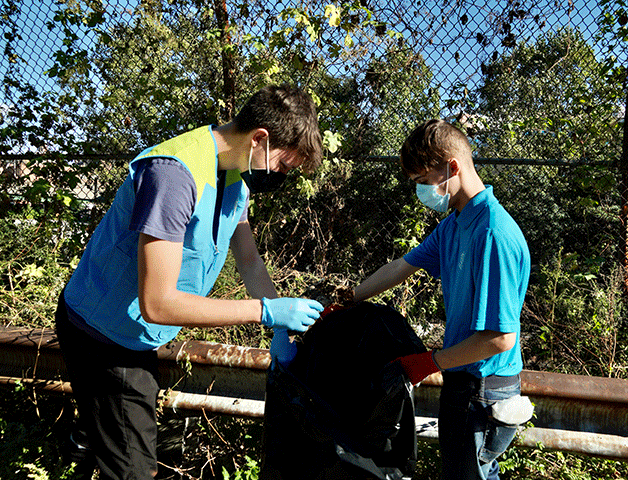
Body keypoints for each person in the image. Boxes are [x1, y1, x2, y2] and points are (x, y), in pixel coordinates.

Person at [54, 84, 325, 480]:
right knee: (134, 470)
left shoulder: (236, 173)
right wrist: (264, 312)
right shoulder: (174, 177)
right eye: (283, 166)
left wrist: (280, 323)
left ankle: (93, 438)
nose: (282, 176)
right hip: (103, 337)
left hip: (135, 334)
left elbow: (248, 261)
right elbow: (158, 303)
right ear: (260, 139)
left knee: (126, 441)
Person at [352, 119, 532, 480]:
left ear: (452, 167)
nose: (421, 191)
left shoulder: (492, 234)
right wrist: (347, 298)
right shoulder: (455, 225)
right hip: (462, 380)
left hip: (483, 389)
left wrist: (427, 363)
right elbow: (401, 267)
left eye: (423, 182)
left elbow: (499, 339)